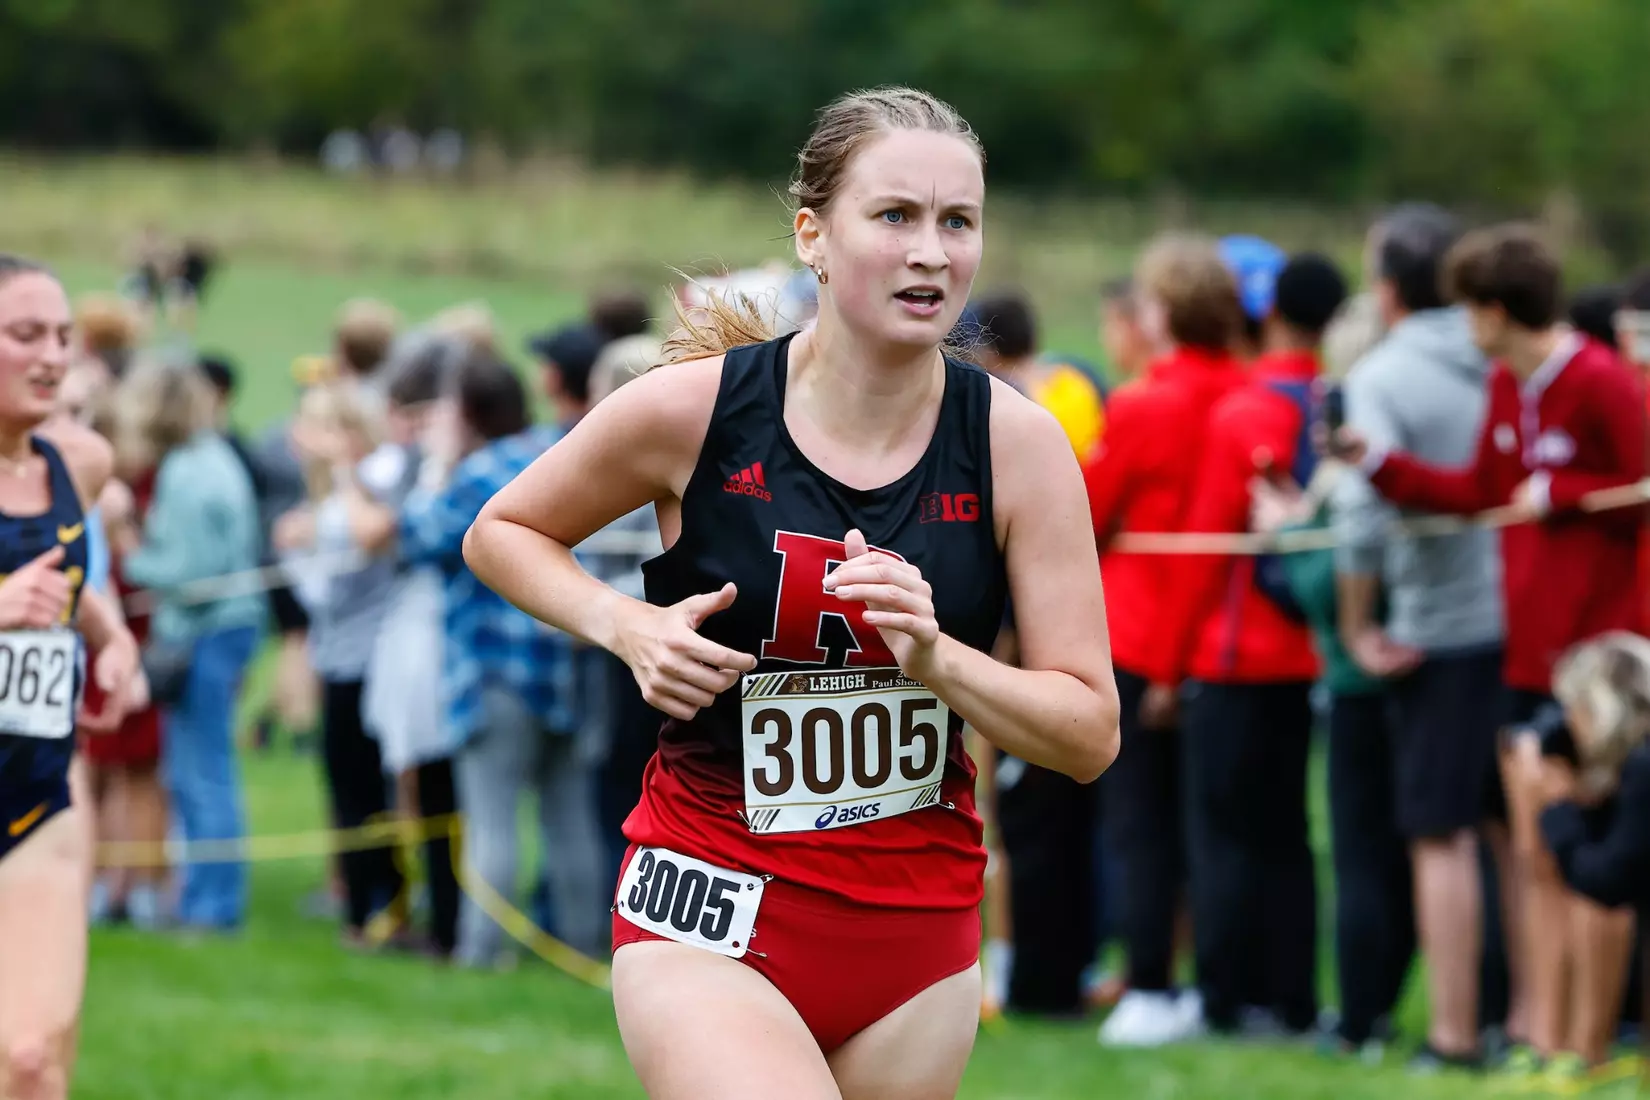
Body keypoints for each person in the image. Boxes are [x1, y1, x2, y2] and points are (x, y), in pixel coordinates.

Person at [463, 86, 1119, 1099]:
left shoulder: (1019, 446)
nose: (933, 253)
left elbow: (1087, 730)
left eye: (958, 222)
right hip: (709, 900)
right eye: (895, 216)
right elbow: (502, 531)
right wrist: (626, 623)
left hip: (915, 929)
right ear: (813, 234)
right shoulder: (696, 411)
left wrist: (939, 658)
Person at [1336, 223, 1647, 1071]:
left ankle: (1592, 1045)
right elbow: (1482, 493)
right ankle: (1543, 1038)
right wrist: (1382, 465)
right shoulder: (1511, 388)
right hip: (1526, 658)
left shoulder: (1602, 382)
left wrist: (1571, 494)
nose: (1465, 329)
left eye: (1472, 311)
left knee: (1601, 860)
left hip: (1605, 663)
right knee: (1542, 852)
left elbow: (1639, 488)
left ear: (1499, 311)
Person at [1147, 253, 1349, 1038]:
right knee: (1290, 834)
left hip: (1232, 656)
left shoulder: (1244, 411)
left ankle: (1228, 998)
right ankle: (1294, 997)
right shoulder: (1336, 402)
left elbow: (1203, 552)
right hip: (1307, 653)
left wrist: (1165, 670)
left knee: (1223, 833)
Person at [1328, 203, 1511, 1070]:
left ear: (1389, 285)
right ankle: (1530, 1019)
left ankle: (1455, 1034)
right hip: (1526, 621)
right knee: (1515, 830)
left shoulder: (1387, 371)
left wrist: (1360, 625)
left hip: (1439, 628)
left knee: (1441, 834)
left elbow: (1363, 513)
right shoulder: (1506, 349)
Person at [1082, 234, 1247, 1047]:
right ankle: (1221, 983)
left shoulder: (1147, 402)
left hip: (1144, 636)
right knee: (1220, 825)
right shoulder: (1247, 390)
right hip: (1229, 637)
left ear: (1166, 310)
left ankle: (1150, 980)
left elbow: (1086, 506)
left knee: (1140, 823)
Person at [401, 349, 606, 967]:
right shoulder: (558, 450)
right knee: (569, 818)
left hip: (494, 672)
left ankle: (483, 953)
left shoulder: (477, 471)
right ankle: (584, 947)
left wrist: (437, 462)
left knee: (490, 819)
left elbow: (419, 539)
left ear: (465, 412)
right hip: (569, 665)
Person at [0, 254, 141, 1100]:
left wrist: (113, 637)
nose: (53, 356)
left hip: (39, 796)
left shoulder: (78, 462)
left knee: (33, 1058)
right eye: (25, 336)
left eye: (61, 336)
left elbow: (65, 579)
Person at [111, 361, 264, 932]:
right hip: (223, 627)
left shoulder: (187, 471)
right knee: (194, 770)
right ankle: (201, 899)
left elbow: (190, 571)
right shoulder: (213, 456)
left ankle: (212, 908)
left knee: (204, 772)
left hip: (206, 630)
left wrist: (132, 554)